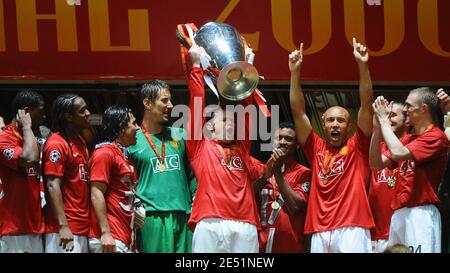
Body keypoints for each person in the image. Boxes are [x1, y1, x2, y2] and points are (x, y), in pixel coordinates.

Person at [289, 38, 375, 253]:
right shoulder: (315, 147)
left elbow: (366, 105)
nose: (335, 124)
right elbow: (298, 111)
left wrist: (363, 66)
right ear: (323, 125)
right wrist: (295, 73)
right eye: (330, 120)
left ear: (349, 126)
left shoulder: (359, 146)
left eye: (341, 120)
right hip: (319, 228)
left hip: (353, 227)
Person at [186, 44, 262, 253]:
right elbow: (197, 104)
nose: (232, 125)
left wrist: (248, 67)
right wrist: (195, 66)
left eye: (233, 122)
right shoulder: (200, 147)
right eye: (225, 120)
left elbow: (247, 108)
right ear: (209, 127)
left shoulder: (242, 148)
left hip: (245, 222)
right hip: (210, 221)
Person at [371, 87, 449, 253]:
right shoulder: (409, 138)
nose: (405, 109)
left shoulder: (436, 136)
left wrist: (385, 121)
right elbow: (376, 164)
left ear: (423, 109)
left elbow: (399, 153)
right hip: (399, 213)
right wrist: (377, 128)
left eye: (408, 105)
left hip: (420, 213)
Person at [127, 80, 197, 253]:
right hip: (150, 217)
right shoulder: (131, 140)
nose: (170, 105)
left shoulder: (180, 135)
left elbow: (194, 173)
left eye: (170, 100)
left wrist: (195, 200)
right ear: (147, 103)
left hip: (183, 214)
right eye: (164, 101)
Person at [252, 122, 311, 253]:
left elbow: (295, 206)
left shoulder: (304, 173)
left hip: (288, 245)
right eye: (279, 138)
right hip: (258, 241)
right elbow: (245, 197)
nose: (282, 142)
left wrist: (277, 172)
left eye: (288, 139)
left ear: (297, 145)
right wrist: (266, 173)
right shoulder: (259, 169)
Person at [88, 106, 141, 253]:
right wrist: (105, 233)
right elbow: (96, 193)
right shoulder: (104, 153)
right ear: (121, 128)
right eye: (133, 123)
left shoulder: (123, 156)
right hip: (109, 239)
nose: (137, 128)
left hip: (123, 237)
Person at [43, 94, 91, 253]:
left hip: (81, 227)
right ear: (69, 116)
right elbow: (52, 185)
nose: (88, 113)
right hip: (64, 229)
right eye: (82, 111)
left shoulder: (80, 142)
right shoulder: (56, 144)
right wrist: (63, 226)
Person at [0, 90, 46, 253]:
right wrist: (27, 127)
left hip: (34, 226)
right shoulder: (4, 139)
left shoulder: (30, 139)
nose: (44, 117)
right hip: (15, 229)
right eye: (40, 111)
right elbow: (29, 158)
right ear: (25, 112)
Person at [368, 101, 407, 253]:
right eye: (385, 115)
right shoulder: (376, 148)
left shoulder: (412, 145)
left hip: (403, 229)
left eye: (393, 115)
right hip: (376, 232)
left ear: (406, 120)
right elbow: (374, 164)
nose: (387, 118)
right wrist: (377, 128)